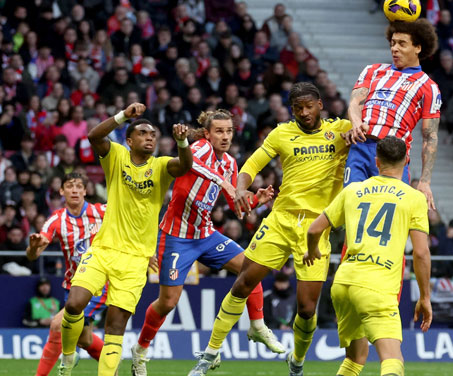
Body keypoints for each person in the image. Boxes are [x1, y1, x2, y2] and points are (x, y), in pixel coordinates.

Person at [187, 82, 351, 376]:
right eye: (298, 108)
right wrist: (239, 188)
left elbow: (368, 130)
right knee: (243, 283)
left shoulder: (341, 131)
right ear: (292, 110)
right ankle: (210, 353)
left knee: (306, 309)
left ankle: (297, 361)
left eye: (309, 106)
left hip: (316, 226)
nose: (304, 113)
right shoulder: (281, 133)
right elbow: (252, 165)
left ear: (320, 105)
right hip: (280, 220)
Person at [130, 109, 283, 376]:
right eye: (219, 131)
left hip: (206, 234)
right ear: (208, 134)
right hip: (176, 237)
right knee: (167, 303)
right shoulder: (198, 149)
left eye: (228, 131)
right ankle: (140, 351)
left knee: (252, 267)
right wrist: (227, 184)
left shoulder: (231, 163)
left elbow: (237, 205)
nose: (225, 136)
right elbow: (191, 167)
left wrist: (255, 200)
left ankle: (257, 325)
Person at [58, 102, 193, 376]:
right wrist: (122, 116)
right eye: (143, 133)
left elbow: (185, 165)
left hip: (136, 261)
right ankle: (67, 359)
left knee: (115, 327)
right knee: (73, 304)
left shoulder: (162, 166)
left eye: (153, 135)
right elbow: (94, 136)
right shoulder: (117, 156)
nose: (150, 138)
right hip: (104, 249)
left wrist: (181, 142)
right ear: (130, 140)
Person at [303, 136, 432, 376]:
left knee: (355, 359)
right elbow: (421, 253)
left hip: (343, 283)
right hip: (377, 286)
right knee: (393, 361)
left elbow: (314, 230)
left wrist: (312, 251)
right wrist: (425, 297)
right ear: (407, 161)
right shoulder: (414, 197)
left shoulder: (353, 190)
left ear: (376, 161)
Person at [345, 19, 441, 210]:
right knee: (352, 209)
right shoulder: (373, 71)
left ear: (418, 48)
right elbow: (355, 103)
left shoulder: (428, 87)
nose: (395, 49)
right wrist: (356, 123)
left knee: (388, 217)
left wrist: (425, 181)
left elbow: (430, 136)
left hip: (394, 156)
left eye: (402, 44)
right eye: (393, 43)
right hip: (361, 149)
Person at [26, 173, 107, 376]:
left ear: (85, 191)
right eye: (70, 186)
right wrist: (33, 248)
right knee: (84, 339)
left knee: (57, 324)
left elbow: (129, 225)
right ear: (62, 191)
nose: (75, 190)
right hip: (73, 285)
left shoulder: (102, 211)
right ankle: (111, 359)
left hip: (100, 282)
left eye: (79, 186)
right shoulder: (57, 219)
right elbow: (34, 254)